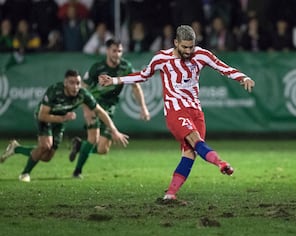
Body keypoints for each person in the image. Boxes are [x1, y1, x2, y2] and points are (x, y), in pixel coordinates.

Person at [98, 25, 255, 201]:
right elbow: (143, 75)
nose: (188, 51)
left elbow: (222, 67)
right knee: (196, 140)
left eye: (191, 47)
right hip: (175, 110)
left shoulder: (201, 55)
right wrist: (115, 80)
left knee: (190, 153)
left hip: (196, 111)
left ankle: (170, 194)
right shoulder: (161, 58)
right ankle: (221, 163)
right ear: (176, 43)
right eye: (184, 47)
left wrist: (243, 77)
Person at [0, 69, 129, 182]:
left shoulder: (83, 94)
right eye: (72, 83)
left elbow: (100, 112)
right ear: (65, 83)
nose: (75, 86)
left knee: (46, 157)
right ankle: (25, 173)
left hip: (61, 121)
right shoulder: (54, 91)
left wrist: (114, 131)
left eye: (78, 83)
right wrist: (63, 118)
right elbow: (42, 115)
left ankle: (16, 149)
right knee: (45, 145)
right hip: (45, 118)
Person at [69, 39, 150, 178]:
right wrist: (85, 109)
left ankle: (79, 146)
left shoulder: (125, 67)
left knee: (102, 149)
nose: (117, 54)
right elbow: (83, 88)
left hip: (110, 107)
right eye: (114, 51)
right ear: (107, 51)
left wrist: (143, 107)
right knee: (93, 138)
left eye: (119, 51)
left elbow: (135, 86)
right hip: (94, 105)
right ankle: (77, 171)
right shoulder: (97, 68)